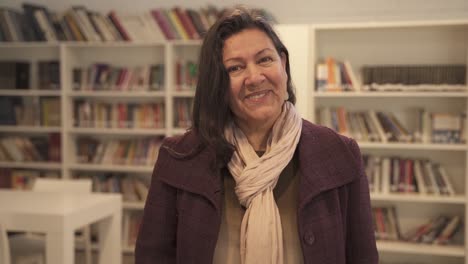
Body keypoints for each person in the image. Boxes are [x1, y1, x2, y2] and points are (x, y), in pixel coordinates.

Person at [135, 6, 378, 264]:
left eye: (264, 60)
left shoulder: (339, 154)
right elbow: (152, 257)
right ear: (217, 82)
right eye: (236, 68)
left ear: (283, 64)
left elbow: (362, 256)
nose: (254, 77)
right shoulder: (179, 157)